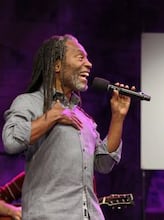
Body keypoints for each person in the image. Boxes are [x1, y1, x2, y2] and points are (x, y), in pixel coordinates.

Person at [2, 34, 134, 219]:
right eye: (80, 57)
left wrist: (118, 117)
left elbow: (103, 164)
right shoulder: (30, 102)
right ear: (57, 65)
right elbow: (11, 141)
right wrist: (51, 116)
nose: (89, 64)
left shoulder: (83, 118)